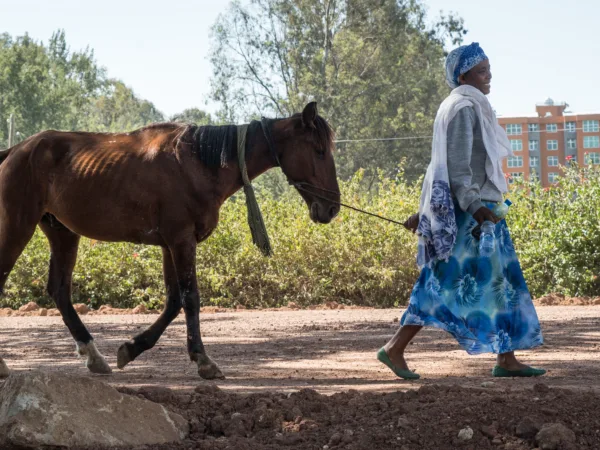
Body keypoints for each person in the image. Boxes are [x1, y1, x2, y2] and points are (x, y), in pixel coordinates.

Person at [377, 43, 545, 380]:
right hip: (471, 216)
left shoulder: (463, 106)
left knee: (498, 282)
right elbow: (456, 168)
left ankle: (506, 358)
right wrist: (476, 207)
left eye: (489, 69)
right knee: (441, 281)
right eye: (483, 71)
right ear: (463, 75)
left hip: (477, 211)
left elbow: (443, 167)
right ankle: (395, 348)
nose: (490, 76)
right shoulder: (464, 107)